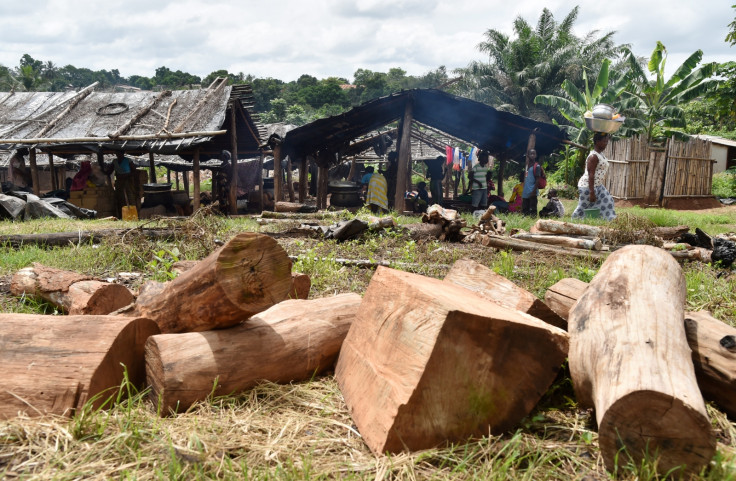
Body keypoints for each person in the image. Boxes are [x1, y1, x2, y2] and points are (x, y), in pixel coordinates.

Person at [572, 132, 616, 220]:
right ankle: (574, 221)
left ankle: (609, 220)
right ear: (597, 141)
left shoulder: (600, 155)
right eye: (604, 142)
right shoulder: (593, 157)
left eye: (607, 142)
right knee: (583, 207)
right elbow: (590, 175)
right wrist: (591, 192)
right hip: (587, 186)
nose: (606, 144)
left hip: (598, 185)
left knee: (608, 201)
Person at [521, 148, 543, 216]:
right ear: (528, 155)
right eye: (531, 154)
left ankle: (533, 221)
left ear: (536, 155)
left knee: (533, 207)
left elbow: (537, 179)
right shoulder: (527, 165)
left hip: (532, 190)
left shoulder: (537, 166)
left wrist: (534, 191)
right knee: (525, 207)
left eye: (534, 154)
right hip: (526, 190)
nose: (532, 155)